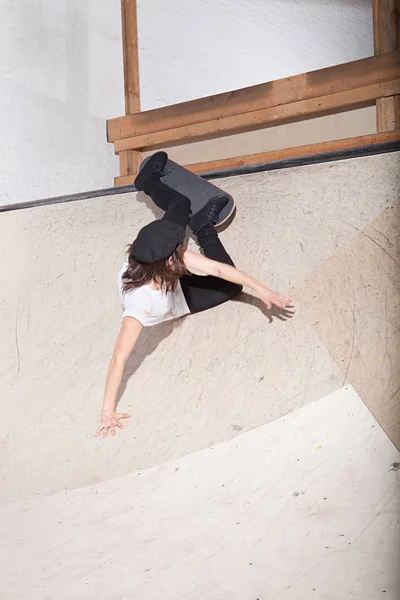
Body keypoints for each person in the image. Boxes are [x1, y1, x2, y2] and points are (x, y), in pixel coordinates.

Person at [95, 152, 292, 438]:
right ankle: (203, 227)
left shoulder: (150, 250)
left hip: (162, 270)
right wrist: (107, 411)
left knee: (181, 203)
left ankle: (147, 181)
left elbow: (215, 268)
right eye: (178, 250)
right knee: (231, 289)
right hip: (180, 301)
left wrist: (263, 289)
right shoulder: (141, 307)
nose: (181, 249)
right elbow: (118, 360)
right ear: (169, 263)